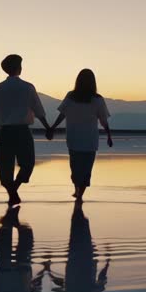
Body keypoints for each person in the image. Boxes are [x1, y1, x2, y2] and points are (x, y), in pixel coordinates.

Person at [0, 54, 52, 206]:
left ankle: (12, 191)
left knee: (5, 167)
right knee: (28, 164)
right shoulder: (28, 87)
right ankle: (14, 191)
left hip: (6, 132)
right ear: (18, 68)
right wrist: (47, 127)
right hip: (22, 132)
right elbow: (38, 110)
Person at [47, 68, 112, 203]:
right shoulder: (96, 99)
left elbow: (62, 114)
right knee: (86, 169)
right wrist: (108, 135)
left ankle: (78, 191)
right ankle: (80, 192)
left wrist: (52, 127)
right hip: (89, 140)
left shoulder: (72, 97)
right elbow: (103, 120)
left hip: (74, 138)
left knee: (76, 167)